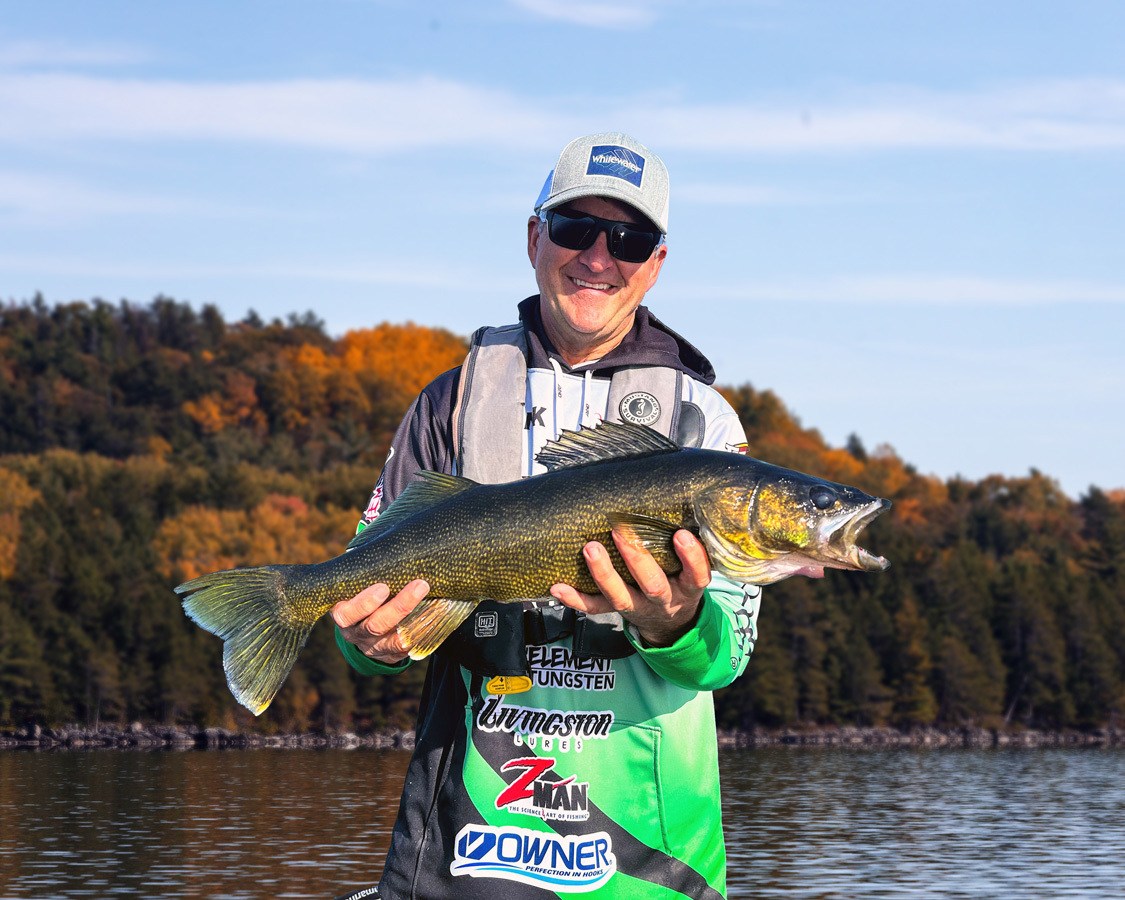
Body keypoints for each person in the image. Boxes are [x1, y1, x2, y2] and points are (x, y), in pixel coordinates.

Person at [331, 132, 761, 900]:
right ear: (534, 238)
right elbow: (366, 639)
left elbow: (724, 659)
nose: (597, 256)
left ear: (655, 263)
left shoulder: (707, 429)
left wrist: (674, 622)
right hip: (466, 862)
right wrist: (369, 638)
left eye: (627, 238)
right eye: (573, 228)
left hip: (649, 875)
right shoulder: (448, 405)